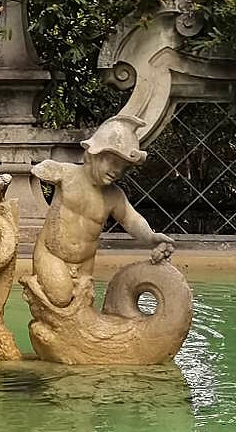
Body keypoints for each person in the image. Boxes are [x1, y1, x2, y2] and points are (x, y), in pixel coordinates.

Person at [27, 114, 174, 310]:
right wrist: (46, 169)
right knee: (60, 297)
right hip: (52, 255)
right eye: (112, 162)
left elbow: (131, 219)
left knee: (84, 308)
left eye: (123, 168)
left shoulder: (114, 196)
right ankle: (32, 289)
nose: (117, 171)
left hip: (85, 264)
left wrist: (150, 237)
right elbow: (39, 170)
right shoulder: (67, 175)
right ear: (91, 155)